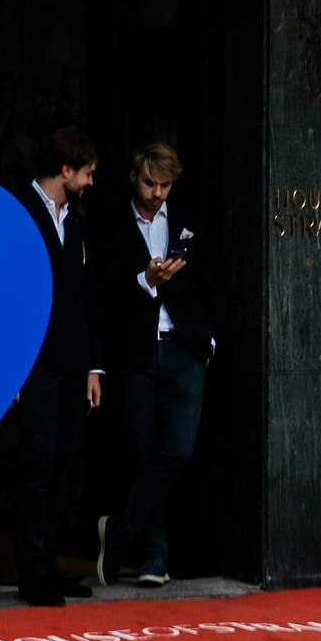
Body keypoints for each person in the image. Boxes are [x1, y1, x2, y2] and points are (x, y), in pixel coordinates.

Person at [104, 143, 215, 588]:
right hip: (136, 352)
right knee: (141, 454)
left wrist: (209, 338)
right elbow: (101, 293)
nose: (157, 193)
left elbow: (215, 279)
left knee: (178, 451)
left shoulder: (189, 220)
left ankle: (118, 531)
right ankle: (154, 556)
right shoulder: (112, 224)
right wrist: (144, 281)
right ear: (134, 177)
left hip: (184, 349)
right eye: (150, 183)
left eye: (165, 185)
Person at [3, 126, 105, 607]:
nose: (90, 181)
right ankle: (33, 572)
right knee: (38, 464)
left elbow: (84, 298)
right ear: (66, 170)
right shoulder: (17, 212)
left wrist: (93, 367)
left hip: (70, 361)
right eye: (86, 173)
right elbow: (6, 296)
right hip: (34, 361)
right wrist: (11, 368)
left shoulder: (78, 219)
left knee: (65, 465)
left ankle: (52, 562)